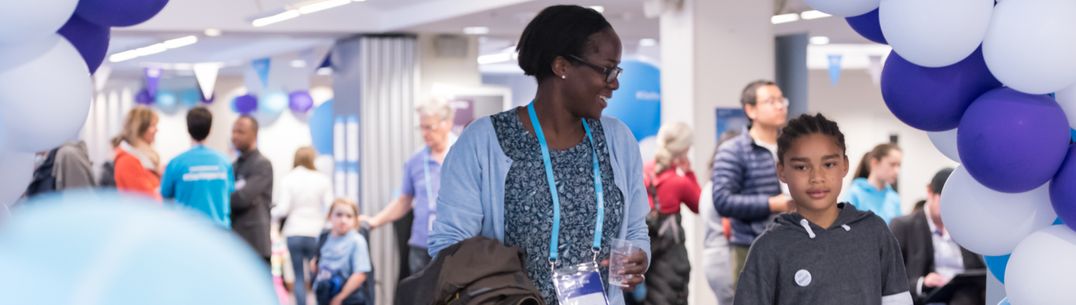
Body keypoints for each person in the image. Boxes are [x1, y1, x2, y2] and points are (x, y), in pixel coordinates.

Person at [428, 5, 651, 305]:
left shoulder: (618, 141)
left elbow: (636, 228)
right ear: (561, 66)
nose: (615, 83)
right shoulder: (484, 141)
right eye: (607, 69)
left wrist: (639, 255)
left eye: (617, 71)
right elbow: (450, 246)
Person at [734, 113, 912, 305]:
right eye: (802, 167)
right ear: (782, 171)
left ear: (844, 165)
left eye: (829, 164)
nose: (817, 177)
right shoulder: (767, 248)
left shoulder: (875, 233)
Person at [711, 80, 793, 289]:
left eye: (781, 100)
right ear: (751, 110)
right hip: (751, 246)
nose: (780, 106)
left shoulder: (793, 147)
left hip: (794, 242)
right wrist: (772, 204)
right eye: (771, 101)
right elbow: (722, 200)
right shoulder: (733, 150)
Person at [359, 101, 454, 274]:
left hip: (456, 246)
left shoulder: (466, 154)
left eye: (429, 127)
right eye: (421, 128)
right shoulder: (415, 161)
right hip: (421, 246)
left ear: (447, 124)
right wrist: (375, 221)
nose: (425, 133)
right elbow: (404, 200)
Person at [890, 168, 985, 305]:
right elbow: (888, 278)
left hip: (966, 294)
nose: (951, 207)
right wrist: (922, 282)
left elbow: (979, 271)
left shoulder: (966, 227)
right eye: (945, 200)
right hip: (928, 297)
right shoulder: (903, 226)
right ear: (930, 192)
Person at [640, 122, 699, 305]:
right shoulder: (678, 182)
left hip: (645, 252)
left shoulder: (643, 172)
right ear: (684, 149)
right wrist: (689, 173)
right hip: (670, 259)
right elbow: (699, 205)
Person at [272, 146, 334, 305]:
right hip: (316, 232)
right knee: (316, 274)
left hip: (294, 232)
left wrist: (270, 213)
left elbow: (283, 209)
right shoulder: (322, 179)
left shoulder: (288, 179)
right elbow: (331, 206)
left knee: (298, 276)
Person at [160, 107, 235, 227]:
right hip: (220, 235)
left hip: (189, 234)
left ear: (188, 128)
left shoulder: (175, 163)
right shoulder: (224, 162)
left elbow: (165, 195)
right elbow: (230, 191)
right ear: (210, 129)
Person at [701, 130, 742, 305]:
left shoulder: (710, 185)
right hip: (725, 259)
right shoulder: (724, 190)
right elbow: (728, 228)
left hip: (713, 257)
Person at [231, 115, 275, 265]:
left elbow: (242, 198)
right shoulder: (234, 165)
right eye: (234, 131)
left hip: (256, 246)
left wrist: (223, 196)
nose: (235, 136)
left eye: (240, 132)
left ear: (254, 134)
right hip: (236, 243)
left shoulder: (262, 165)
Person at [312, 199, 372, 305]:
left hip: (347, 298)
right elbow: (315, 263)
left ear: (355, 220)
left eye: (349, 216)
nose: (343, 220)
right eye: (339, 215)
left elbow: (360, 274)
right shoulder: (323, 238)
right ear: (330, 216)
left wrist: (340, 297)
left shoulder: (357, 241)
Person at [845, 143, 903, 223]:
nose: (897, 171)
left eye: (899, 165)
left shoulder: (894, 198)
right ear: (874, 163)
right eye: (892, 164)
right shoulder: (855, 194)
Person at [114, 107, 162, 201]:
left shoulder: (144, 159)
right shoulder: (127, 162)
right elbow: (147, 199)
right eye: (152, 125)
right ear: (139, 129)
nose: (157, 130)